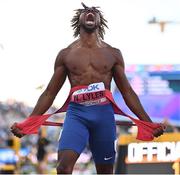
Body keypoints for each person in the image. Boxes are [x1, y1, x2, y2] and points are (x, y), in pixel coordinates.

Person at [11, 3, 165, 174]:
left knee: (105, 172)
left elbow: (127, 92)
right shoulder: (66, 54)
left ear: (100, 21)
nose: (90, 12)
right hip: (77, 115)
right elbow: (50, 92)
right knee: (63, 168)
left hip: (104, 117)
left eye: (94, 11)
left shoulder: (113, 53)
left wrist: (148, 123)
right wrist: (28, 122)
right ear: (79, 20)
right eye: (86, 11)